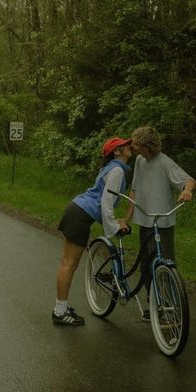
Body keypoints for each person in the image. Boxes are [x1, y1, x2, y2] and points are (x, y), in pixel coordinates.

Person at [52, 137, 132, 326]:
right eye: (124, 145)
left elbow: (103, 200)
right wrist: (113, 226)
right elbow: (106, 202)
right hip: (79, 214)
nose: (129, 146)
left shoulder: (112, 168)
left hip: (77, 211)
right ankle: (60, 311)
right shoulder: (117, 170)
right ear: (117, 152)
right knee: (68, 264)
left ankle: (61, 308)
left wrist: (115, 222)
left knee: (68, 263)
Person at [124, 126, 195, 321]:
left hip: (162, 224)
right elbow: (135, 190)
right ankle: (154, 306)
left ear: (147, 147)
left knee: (165, 267)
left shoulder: (164, 162)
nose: (133, 146)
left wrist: (187, 190)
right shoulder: (139, 161)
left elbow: (188, 180)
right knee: (147, 266)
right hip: (145, 221)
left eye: (136, 143)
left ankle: (172, 307)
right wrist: (127, 218)